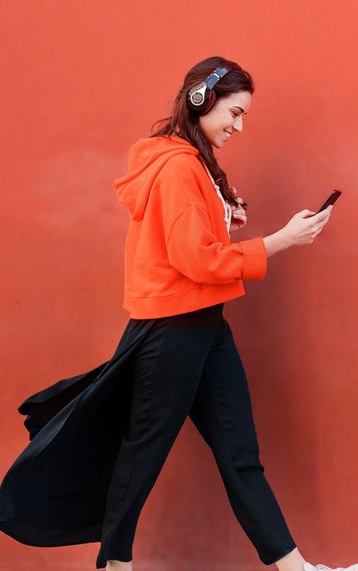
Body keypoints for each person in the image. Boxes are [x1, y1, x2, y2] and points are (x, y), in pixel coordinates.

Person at [0, 56, 355, 571]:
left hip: (206, 326)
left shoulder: (194, 163)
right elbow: (197, 261)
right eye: (234, 113)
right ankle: (116, 566)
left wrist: (223, 214)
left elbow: (192, 248)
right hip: (173, 331)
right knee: (141, 455)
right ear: (200, 100)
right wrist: (280, 241)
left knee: (239, 455)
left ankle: (296, 569)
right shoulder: (177, 167)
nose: (239, 126)